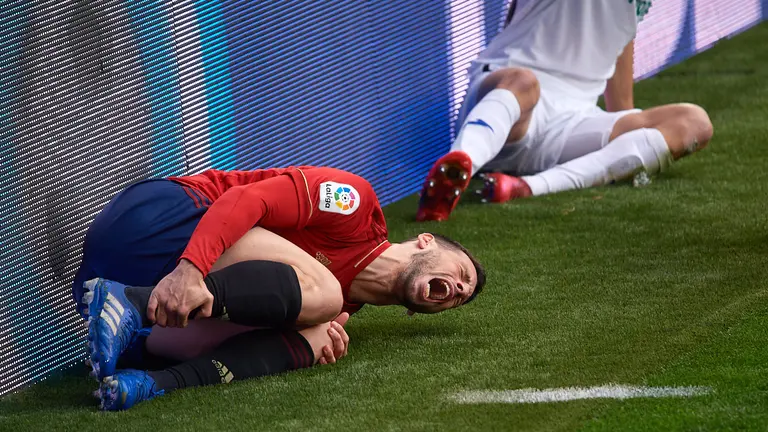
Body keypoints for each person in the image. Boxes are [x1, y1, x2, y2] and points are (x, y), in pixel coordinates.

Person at [73, 166, 486, 410]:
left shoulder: (339, 314)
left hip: (111, 283)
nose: (458, 289)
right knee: (325, 297)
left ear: (419, 310)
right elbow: (245, 200)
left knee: (317, 331)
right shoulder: (355, 205)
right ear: (425, 240)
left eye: (460, 298)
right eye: (461, 274)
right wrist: (190, 271)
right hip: (158, 221)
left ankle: (147, 383)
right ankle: (132, 303)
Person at [416, 0, 714, 221]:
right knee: (524, 82)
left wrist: (630, 142)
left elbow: (620, 51)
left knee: (693, 122)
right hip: (508, 96)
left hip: (574, 119)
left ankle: (526, 187)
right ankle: (458, 166)